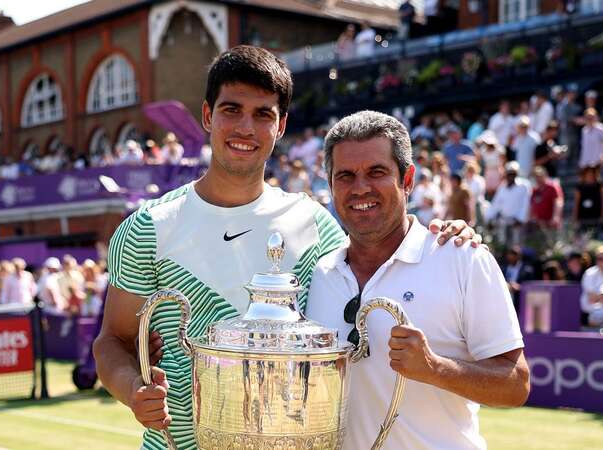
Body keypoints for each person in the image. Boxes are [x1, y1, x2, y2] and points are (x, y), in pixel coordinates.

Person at [93, 47, 480, 450]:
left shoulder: (316, 225)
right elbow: (112, 342)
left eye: (263, 114)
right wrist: (135, 390)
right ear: (208, 116)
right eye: (232, 110)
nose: (246, 127)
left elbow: (385, 253)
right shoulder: (148, 227)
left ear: (281, 126)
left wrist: (447, 235)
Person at [306, 110, 529, 450]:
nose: (360, 188)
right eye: (345, 176)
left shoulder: (462, 258)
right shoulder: (322, 273)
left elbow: (516, 384)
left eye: (376, 172)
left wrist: (435, 368)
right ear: (331, 185)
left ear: (407, 179)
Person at [487, 162, 531, 246]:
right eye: (509, 173)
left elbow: (525, 203)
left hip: (517, 222)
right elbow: (496, 203)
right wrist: (490, 218)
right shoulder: (502, 186)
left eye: (513, 173)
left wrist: (520, 219)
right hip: (504, 222)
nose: (511, 176)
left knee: (516, 246)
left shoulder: (524, 186)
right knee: (503, 245)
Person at [579, 246, 603, 326]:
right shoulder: (589, 273)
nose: (601, 261)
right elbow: (591, 298)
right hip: (590, 316)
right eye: (599, 258)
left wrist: (600, 297)